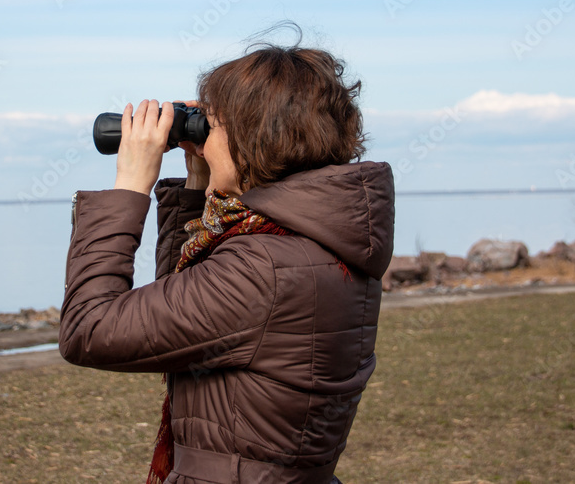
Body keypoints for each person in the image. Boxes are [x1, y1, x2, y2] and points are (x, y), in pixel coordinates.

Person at [59, 27, 395, 484]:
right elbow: (178, 308)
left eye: (211, 127)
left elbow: (90, 330)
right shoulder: (316, 243)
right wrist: (198, 185)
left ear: (255, 137)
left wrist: (130, 188)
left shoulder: (266, 268)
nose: (202, 139)